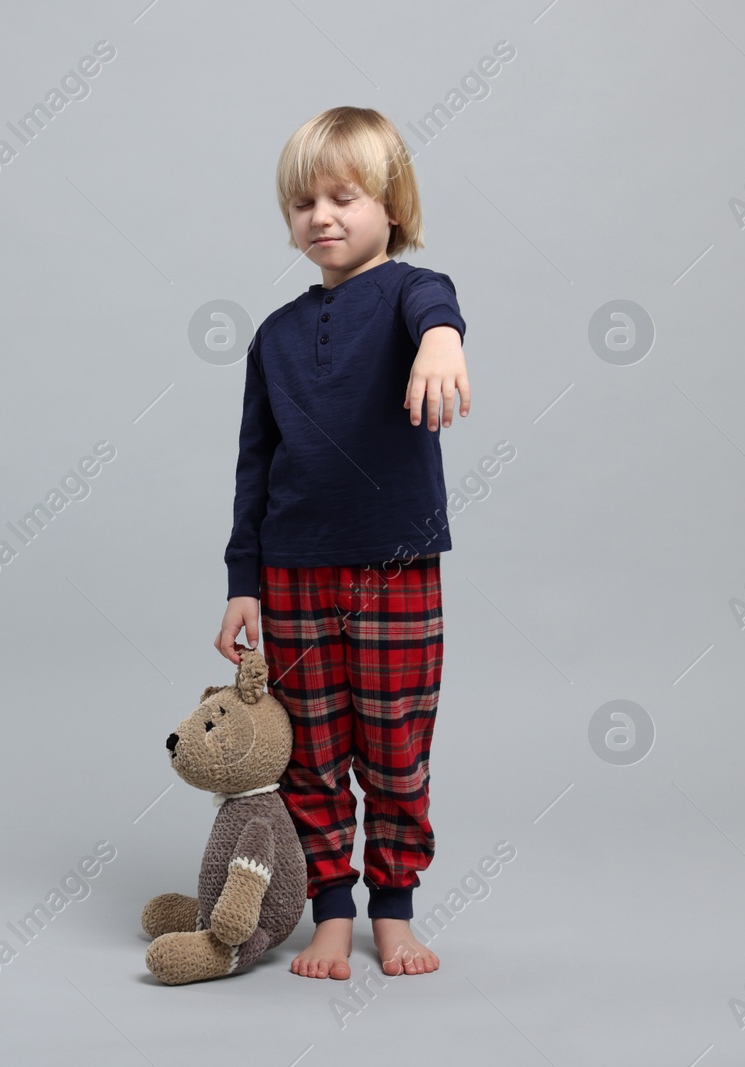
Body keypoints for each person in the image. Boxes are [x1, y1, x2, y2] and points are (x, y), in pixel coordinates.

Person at [215, 106, 469, 980]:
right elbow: (256, 465)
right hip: (291, 571)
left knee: (395, 746)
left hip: (394, 564)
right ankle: (330, 911)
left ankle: (392, 909)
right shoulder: (274, 337)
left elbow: (437, 302)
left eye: (344, 197)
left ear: (390, 205)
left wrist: (441, 341)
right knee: (312, 751)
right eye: (303, 203)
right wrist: (243, 580)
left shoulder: (411, 298)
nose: (321, 216)